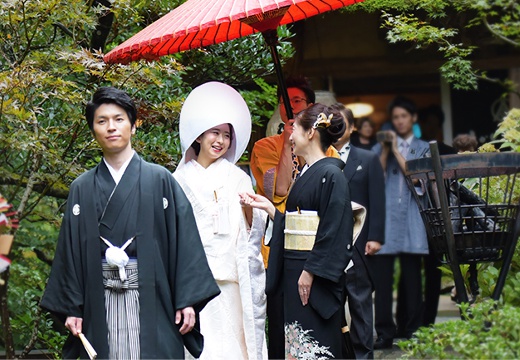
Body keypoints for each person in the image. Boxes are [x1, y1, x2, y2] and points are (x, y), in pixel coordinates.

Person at [40, 87, 220, 359]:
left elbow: (185, 243)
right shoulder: (82, 188)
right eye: (102, 121)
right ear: (93, 130)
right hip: (98, 301)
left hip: (153, 299)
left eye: (119, 119)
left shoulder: (160, 180)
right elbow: (70, 253)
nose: (111, 127)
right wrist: (72, 307)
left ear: (133, 127)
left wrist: (187, 300)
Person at [241, 103, 354, 359]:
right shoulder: (307, 172)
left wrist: (311, 271)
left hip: (311, 276)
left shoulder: (331, 174)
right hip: (296, 272)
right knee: (296, 345)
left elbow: (334, 228)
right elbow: (296, 224)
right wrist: (272, 211)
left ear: (311, 133)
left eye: (295, 130)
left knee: (314, 344)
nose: (290, 136)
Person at [173, 82, 267, 360]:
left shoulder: (237, 177)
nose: (221, 140)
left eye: (227, 135)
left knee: (234, 348)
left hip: (231, 282)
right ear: (199, 135)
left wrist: (250, 210)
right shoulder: (178, 180)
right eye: (214, 132)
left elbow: (253, 228)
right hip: (195, 284)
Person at [372, 96, 430, 349]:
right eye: (395, 117)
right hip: (385, 221)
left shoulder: (423, 147)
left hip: (411, 220)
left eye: (404, 116)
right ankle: (384, 333)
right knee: (382, 283)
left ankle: (413, 330)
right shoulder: (381, 147)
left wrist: (396, 149)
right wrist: (386, 150)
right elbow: (375, 176)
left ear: (413, 118)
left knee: (412, 280)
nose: (400, 121)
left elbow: (418, 179)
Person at [332, 104, 385, 359]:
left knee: (360, 304)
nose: (336, 127)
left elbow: (378, 199)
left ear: (352, 127)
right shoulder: (320, 158)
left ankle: (363, 355)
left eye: (341, 122)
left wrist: (375, 237)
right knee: (331, 306)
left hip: (359, 243)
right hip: (330, 244)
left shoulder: (368, 158)